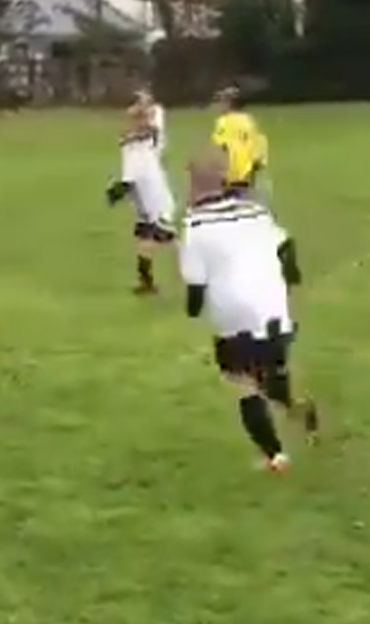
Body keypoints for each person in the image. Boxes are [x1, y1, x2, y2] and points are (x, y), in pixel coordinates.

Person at [179, 149, 319, 473]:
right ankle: (300, 410)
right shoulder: (256, 212)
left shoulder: (196, 227)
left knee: (244, 383)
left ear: (195, 185)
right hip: (275, 310)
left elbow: (196, 288)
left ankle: (276, 456)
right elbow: (286, 246)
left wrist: (193, 310)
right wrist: (289, 280)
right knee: (270, 377)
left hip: (234, 317)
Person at [106, 101, 177, 295]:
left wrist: (118, 191)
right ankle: (184, 281)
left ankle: (151, 281)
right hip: (151, 197)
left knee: (153, 236)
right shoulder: (140, 145)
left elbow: (130, 178)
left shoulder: (137, 144)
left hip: (148, 196)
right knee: (159, 236)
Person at [211, 86, 269, 195]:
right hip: (247, 175)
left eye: (222, 102)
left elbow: (220, 148)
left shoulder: (223, 122)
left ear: (229, 104)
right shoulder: (250, 121)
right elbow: (259, 148)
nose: (219, 106)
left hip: (229, 175)